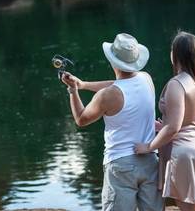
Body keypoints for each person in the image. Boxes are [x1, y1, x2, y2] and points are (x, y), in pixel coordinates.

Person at [61, 33, 163, 211]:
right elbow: (118, 84)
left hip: (120, 166)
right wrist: (83, 84)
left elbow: (81, 119)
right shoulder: (146, 79)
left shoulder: (107, 96)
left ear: (113, 62)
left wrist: (73, 91)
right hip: (149, 161)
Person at [136, 31, 195, 211]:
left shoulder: (177, 84)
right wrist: (164, 126)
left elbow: (175, 128)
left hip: (185, 152)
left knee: (187, 205)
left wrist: (149, 146)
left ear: (176, 54)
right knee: (192, 204)